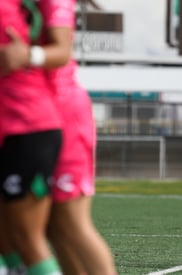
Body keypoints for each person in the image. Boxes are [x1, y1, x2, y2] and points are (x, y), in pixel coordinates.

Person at [0, 1, 117, 274]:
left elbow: (62, 51)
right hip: (31, 111)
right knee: (50, 229)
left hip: (60, 111)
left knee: (71, 224)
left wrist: (28, 55)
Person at [0, 1, 63, 274]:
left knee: (28, 240)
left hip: (27, 129)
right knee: (8, 239)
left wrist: (28, 55)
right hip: (13, 128)